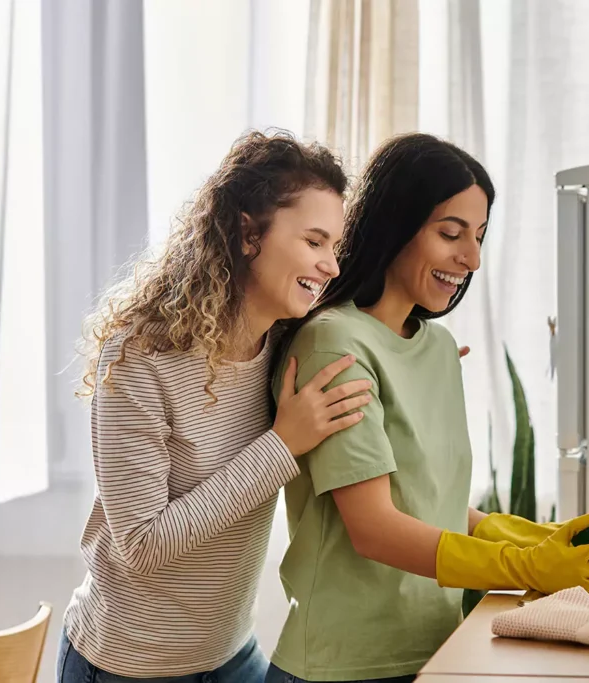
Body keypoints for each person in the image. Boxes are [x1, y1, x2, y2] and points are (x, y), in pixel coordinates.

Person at [265, 133, 589, 683]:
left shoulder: (437, 347)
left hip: (434, 651)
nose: (472, 258)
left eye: (479, 236)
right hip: (340, 668)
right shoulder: (334, 344)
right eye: (451, 233)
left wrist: (534, 538)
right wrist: (525, 566)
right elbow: (374, 528)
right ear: (397, 224)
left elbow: (429, 502)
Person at [57, 131, 372, 683]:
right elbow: (141, 544)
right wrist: (282, 445)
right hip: (127, 667)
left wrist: (416, 361)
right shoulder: (140, 356)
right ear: (249, 233)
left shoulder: (285, 343)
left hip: (229, 654)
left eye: (334, 248)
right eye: (314, 242)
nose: (331, 267)